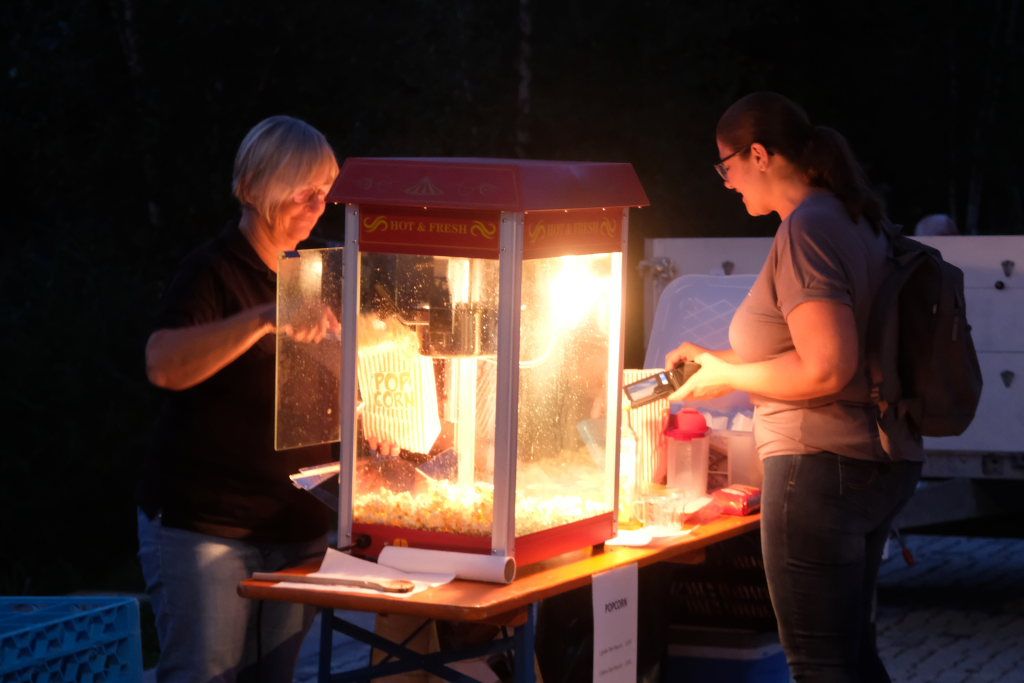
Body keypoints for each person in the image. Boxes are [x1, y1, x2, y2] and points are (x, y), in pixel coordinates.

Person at [665, 92, 923, 682]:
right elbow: (816, 348)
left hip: (820, 469)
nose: (727, 183)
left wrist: (731, 377)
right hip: (872, 459)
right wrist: (719, 362)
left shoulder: (809, 229)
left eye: (726, 166)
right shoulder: (851, 217)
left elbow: (827, 368)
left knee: (819, 665)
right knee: (852, 656)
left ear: (758, 155)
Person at [137, 115, 343, 682]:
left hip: (298, 526)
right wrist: (261, 319)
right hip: (208, 529)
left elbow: (344, 377)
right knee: (204, 674)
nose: (319, 206)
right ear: (257, 187)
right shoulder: (212, 271)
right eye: (304, 192)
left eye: (326, 191)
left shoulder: (321, 267)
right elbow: (162, 364)